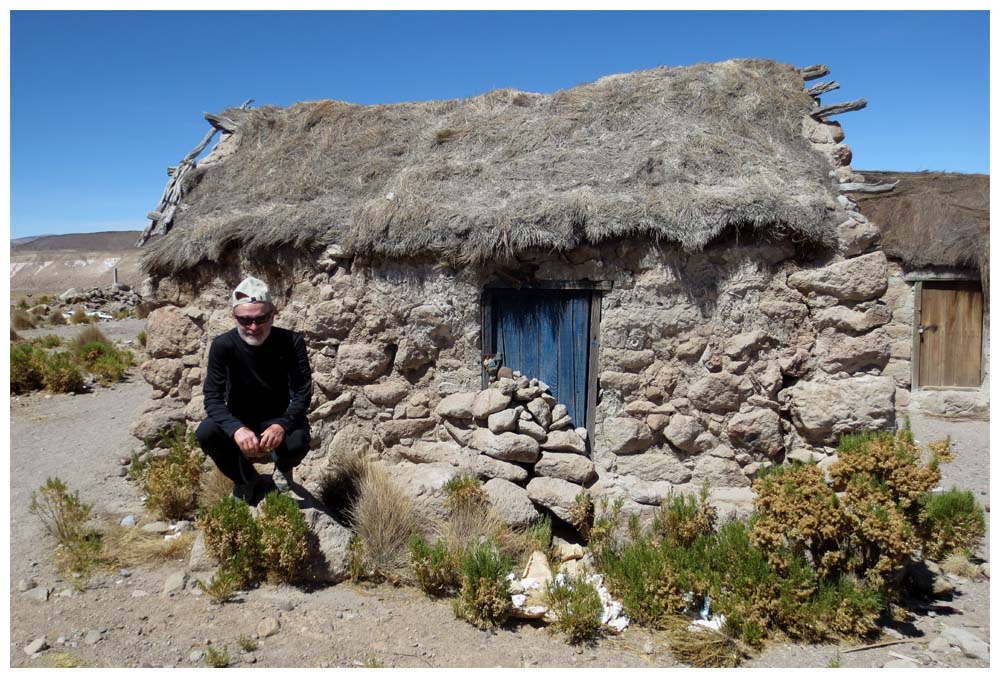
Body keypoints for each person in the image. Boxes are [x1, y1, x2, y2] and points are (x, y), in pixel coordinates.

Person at [195, 276, 312, 502]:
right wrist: (236, 428)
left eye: (261, 319)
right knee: (206, 433)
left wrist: (282, 424)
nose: (253, 327)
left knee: (298, 440)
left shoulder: (291, 342)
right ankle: (246, 479)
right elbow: (212, 398)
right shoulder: (223, 345)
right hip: (240, 416)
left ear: (272, 315)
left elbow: (302, 392)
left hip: (278, 415)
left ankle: (283, 468)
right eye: (245, 320)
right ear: (234, 317)